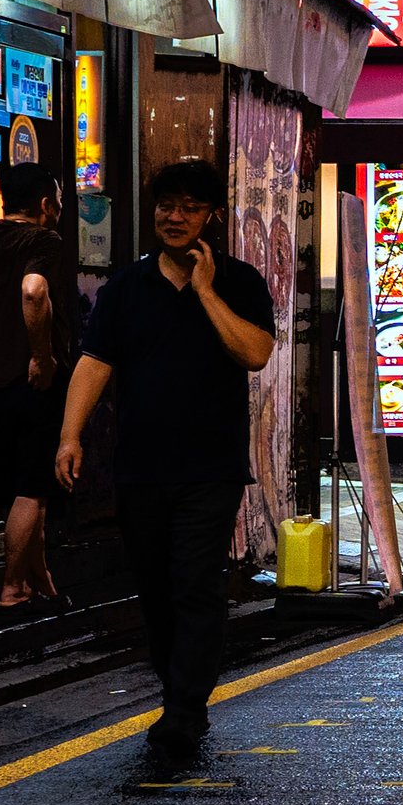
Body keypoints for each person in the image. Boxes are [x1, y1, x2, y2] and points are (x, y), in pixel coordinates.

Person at [54, 160, 275, 756]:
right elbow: (95, 362)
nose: (174, 217)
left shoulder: (241, 281)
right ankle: (178, 690)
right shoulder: (126, 288)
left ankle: (183, 708)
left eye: (189, 207)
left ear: (212, 217)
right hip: (141, 467)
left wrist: (205, 293)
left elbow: (254, 353)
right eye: (165, 206)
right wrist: (70, 436)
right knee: (154, 588)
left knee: (195, 584)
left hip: (211, 468)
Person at [0, 164, 80, 608]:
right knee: (33, 486)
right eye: (60, 200)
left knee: (23, 488)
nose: (61, 208)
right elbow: (33, 292)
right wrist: (42, 356)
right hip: (33, 382)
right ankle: (13, 588)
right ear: (47, 204)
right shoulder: (44, 240)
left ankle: (39, 578)